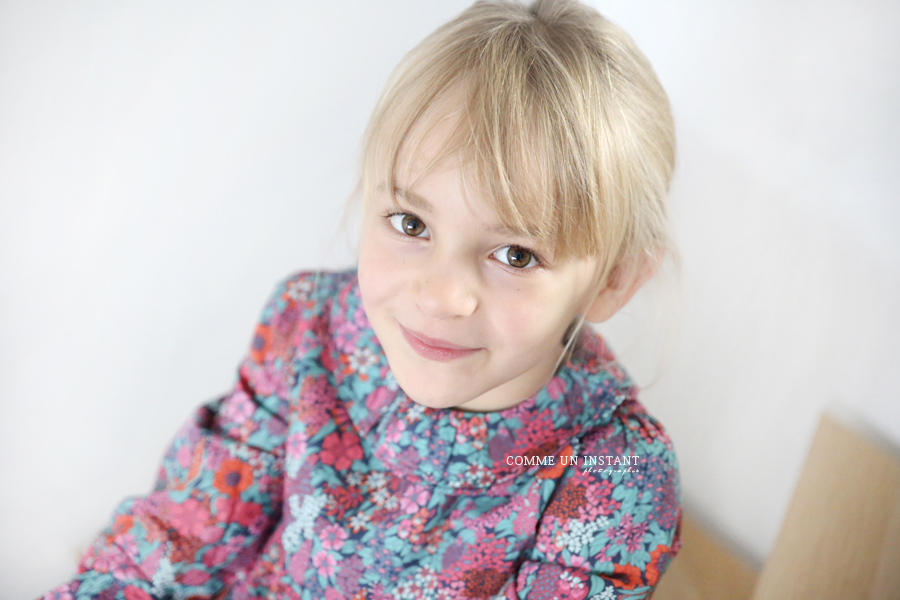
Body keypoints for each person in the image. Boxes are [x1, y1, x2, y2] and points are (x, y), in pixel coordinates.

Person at [42, 0, 681, 598]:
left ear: (613, 281)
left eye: (515, 255)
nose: (440, 296)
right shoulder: (307, 326)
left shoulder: (615, 470)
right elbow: (181, 537)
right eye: (411, 223)